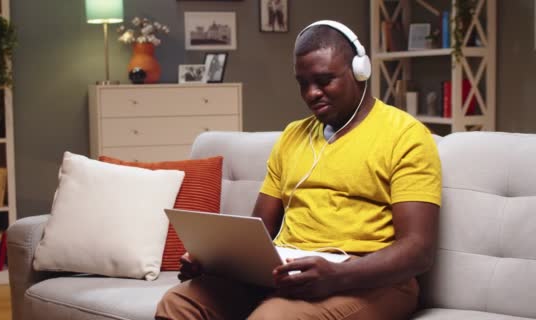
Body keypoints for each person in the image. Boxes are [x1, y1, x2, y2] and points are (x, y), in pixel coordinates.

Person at [156, 20, 441, 320]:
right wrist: (214, 262)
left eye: (324, 80)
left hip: (371, 281)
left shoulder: (405, 135)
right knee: (178, 303)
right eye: (303, 83)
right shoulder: (293, 136)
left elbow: (417, 250)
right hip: (290, 271)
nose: (312, 93)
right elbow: (260, 228)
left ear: (361, 71)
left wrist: (336, 276)